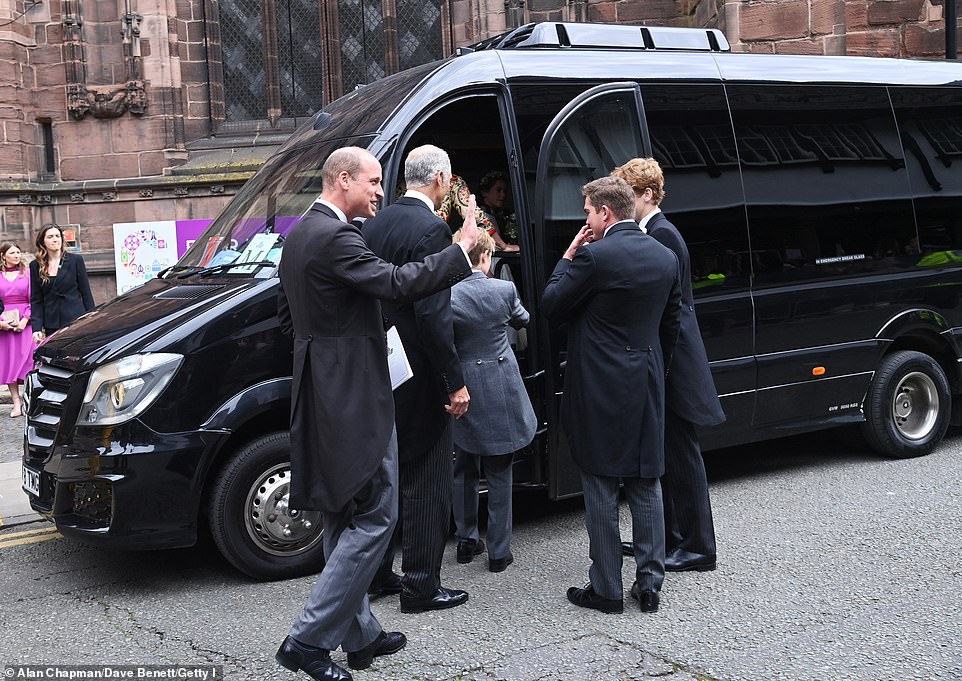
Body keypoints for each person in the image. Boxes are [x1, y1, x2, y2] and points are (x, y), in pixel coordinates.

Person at [275, 146, 479, 681]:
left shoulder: (299, 234)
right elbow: (396, 284)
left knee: (344, 512)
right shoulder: (337, 237)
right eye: (371, 182)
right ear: (342, 180)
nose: (379, 191)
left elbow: (285, 316)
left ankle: (359, 634)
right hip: (354, 394)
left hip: (322, 388)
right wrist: (461, 249)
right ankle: (307, 640)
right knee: (378, 513)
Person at [541, 176, 681, 614]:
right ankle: (651, 582)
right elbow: (673, 323)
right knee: (645, 481)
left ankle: (606, 589)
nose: (585, 218)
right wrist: (656, 365)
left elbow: (550, 306)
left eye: (587, 210)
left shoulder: (594, 258)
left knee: (600, 484)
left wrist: (566, 257)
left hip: (599, 383)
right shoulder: (665, 256)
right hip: (646, 376)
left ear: (605, 212)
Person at [362, 145, 472, 613]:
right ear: (442, 180)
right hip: (420, 372)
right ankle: (421, 584)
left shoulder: (374, 224)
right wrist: (454, 381)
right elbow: (433, 315)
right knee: (426, 479)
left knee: (385, 475)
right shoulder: (431, 229)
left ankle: (380, 573)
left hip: (378, 366)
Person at [611, 158, 725, 572]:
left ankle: (697, 545)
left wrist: (663, 365)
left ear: (647, 195)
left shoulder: (664, 235)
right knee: (670, 452)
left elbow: (672, 311)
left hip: (673, 361)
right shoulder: (655, 233)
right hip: (668, 358)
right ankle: (672, 537)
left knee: (682, 454)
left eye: (629, 193)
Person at [449, 230, 536, 572]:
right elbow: (524, 320)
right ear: (486, 257)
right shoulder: (504, 290)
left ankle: (467, 540)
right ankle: (499, 552)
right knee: (500, 468)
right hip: (500, 384)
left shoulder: (448, 295)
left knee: (464, 466)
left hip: (464, 386)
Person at [29, 223, 95, 343]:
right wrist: (36, 328)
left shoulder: (75, 260)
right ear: (43, 241)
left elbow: (86, 293)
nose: (55, 239)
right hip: (51, 322)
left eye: (57, 236)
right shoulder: (35, 265)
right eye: (50, 237)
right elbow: (36, 299)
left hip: (75, 319)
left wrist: (92, 318)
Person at [0, 242, 35, 417]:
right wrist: (1, 323)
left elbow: (33, 300)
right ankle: (16, 402)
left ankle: (30, 399)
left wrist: (25, 320)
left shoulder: (27, 274)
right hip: (5, 325)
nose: (16, 255)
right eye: (12, 252)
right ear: (3, 256)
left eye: (18, 252)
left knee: (29, 361)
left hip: (25, 323)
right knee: (10, 363)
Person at [477, 171, 519, 252]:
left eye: (504, 191)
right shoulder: (480, 216)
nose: (502, 194)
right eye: (498, 190)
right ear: (484, 192)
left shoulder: (498, 216)